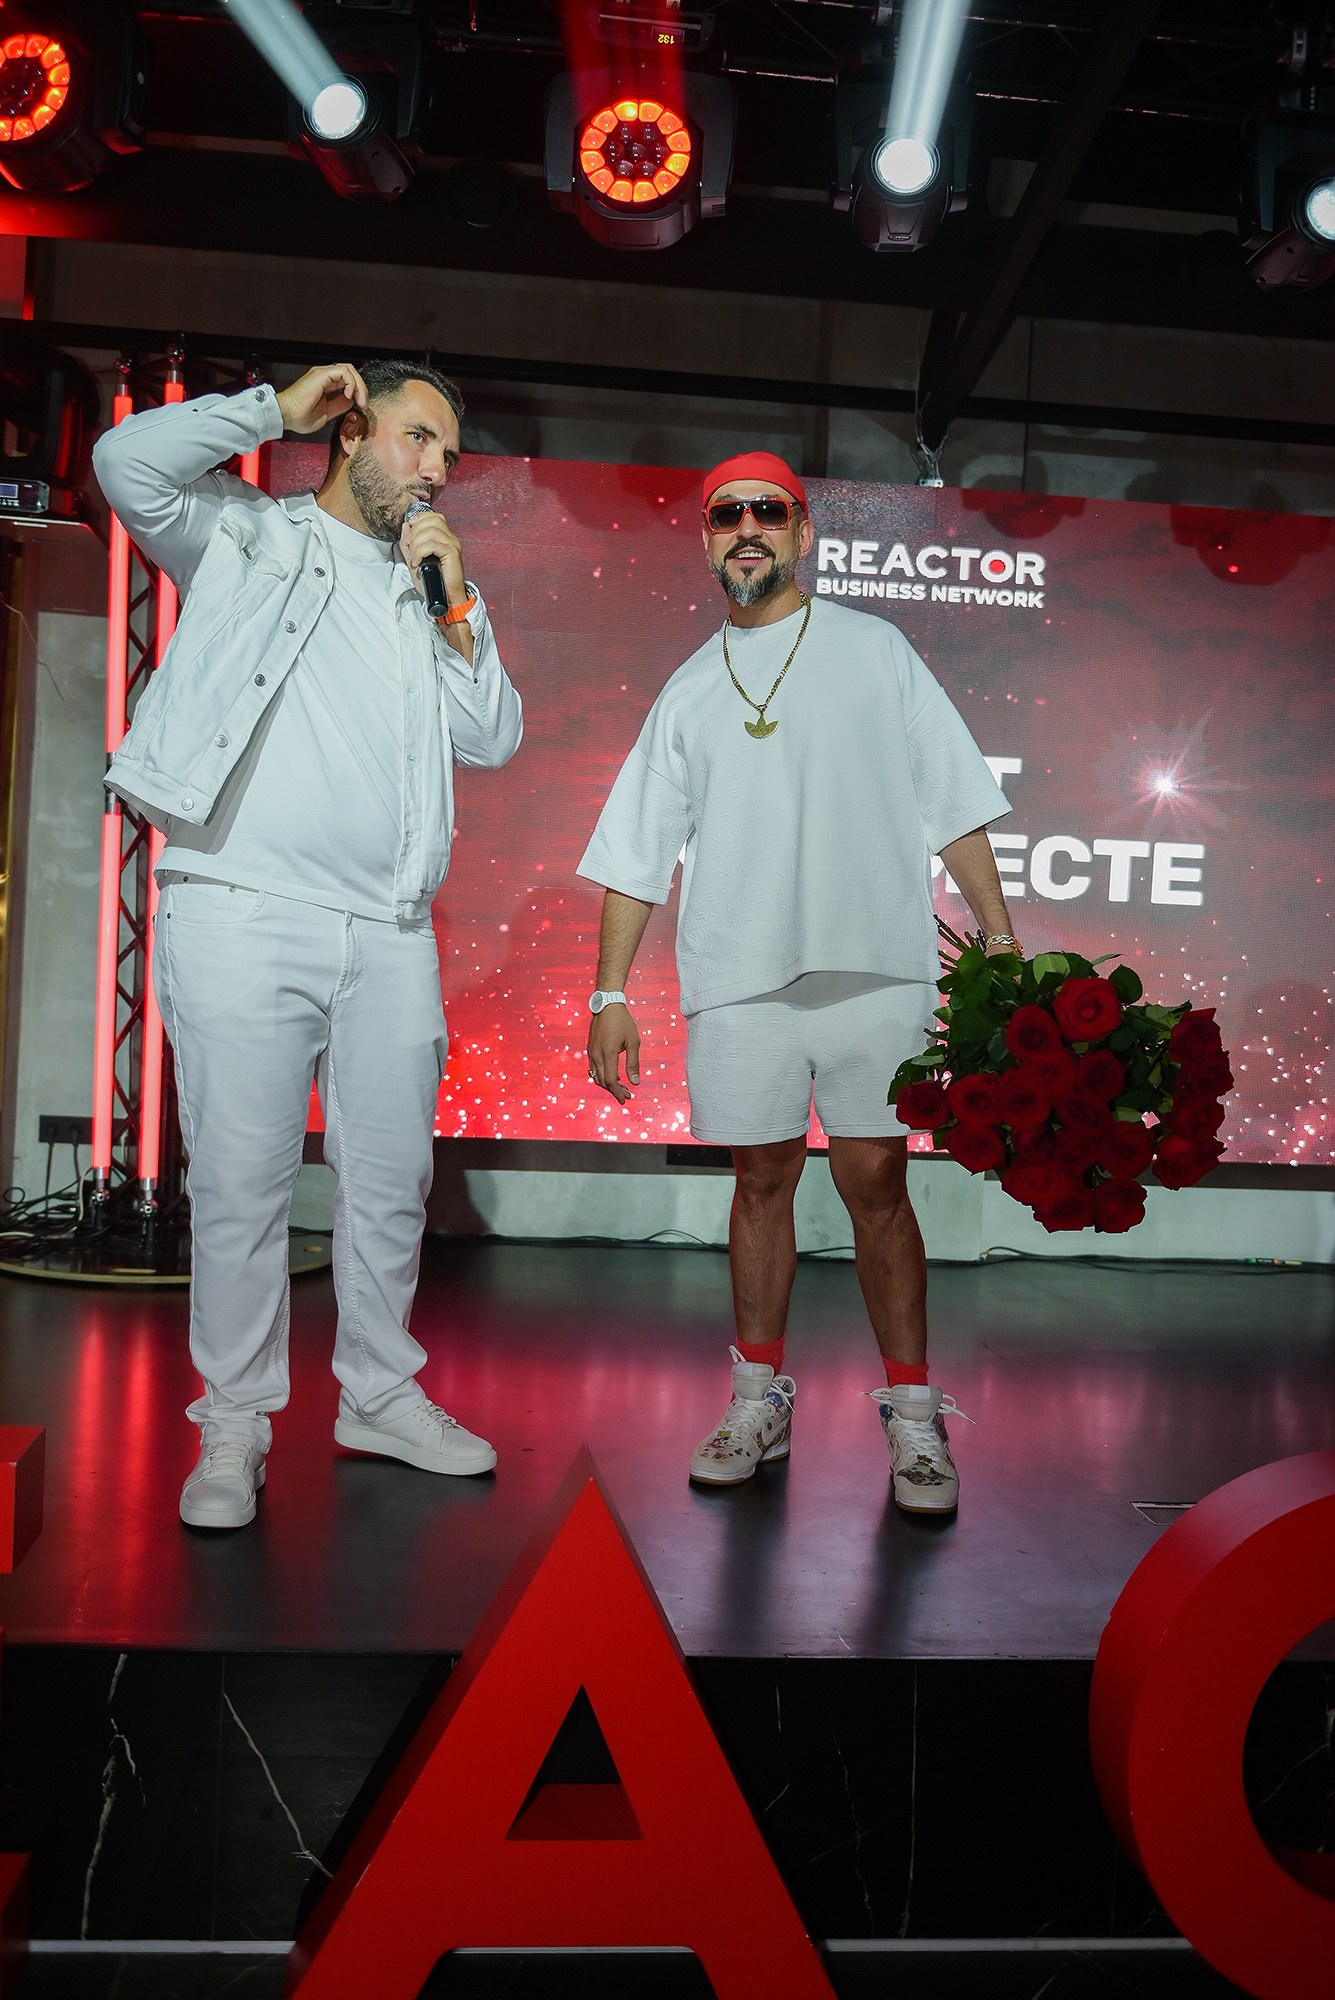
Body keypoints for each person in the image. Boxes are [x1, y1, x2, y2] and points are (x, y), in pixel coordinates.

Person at [94, 358, 522, 1529]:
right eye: (418, 437)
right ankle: (233, 1424)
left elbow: (493, 735)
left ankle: (378, 1394)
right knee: (242, 1185)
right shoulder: (246, 535)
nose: (437, 469)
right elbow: (122, 462)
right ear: (349, 428)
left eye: (449, 452)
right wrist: (267, 412)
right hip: (243, 905)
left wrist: (456, 601)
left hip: (389, 929)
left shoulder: (430, 591)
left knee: (390, 1185)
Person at [579, 451, 1017, 1514]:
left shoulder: (874, 649)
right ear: (706, 538)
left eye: (768, 512)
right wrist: (608, 993)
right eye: (726, 513)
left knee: (876, 1184)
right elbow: (637, 851)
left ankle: (912, 1415)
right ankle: (757, 1400)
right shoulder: (689, 688)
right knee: (760, 1181)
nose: (747, 528)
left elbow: (954, 798)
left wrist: (1001, 939)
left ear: (802, 532)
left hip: (875, 969)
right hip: (740, 980)